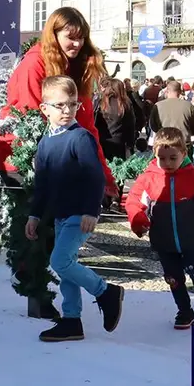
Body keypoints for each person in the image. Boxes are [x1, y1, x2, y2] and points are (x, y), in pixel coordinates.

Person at [0, 6, 115, 319]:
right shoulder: (35, 63)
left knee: (60, 240)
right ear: (54, 34)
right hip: (27, 160)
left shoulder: (78, 69)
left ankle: (70, 314)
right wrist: (40, 161)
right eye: (69, 37)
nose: (75, 43)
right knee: (38, 233)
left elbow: (87, 126)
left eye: (80, 38)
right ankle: (38, 296)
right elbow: (27, 119)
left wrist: (104, 173)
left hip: (62, 159)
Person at [25, 75, 124, 342]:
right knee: (67, 265)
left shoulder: (80, 137)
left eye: (72, 104)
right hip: (60, 214)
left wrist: (91, 210)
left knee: (60, 261)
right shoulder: (46, 143)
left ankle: (105, 292)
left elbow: (95, 176)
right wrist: (34, 214)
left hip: (80, 213)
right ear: (44, 108)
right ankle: (71, 320)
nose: (67, 110)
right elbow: (42, 183)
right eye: (60, 105)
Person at [126, 128, 194, 329]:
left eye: (173, 158)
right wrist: (138, 220)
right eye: (162, 158)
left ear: (184, 152)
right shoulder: (148, 178)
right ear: (155, 155)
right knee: (173, 278)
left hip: (190, 237)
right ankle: (184, 310)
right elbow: (135, 201)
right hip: (164, 240)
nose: (168, 163)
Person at [95, 78, 137, 162]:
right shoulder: (125, 104)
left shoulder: (102, 102)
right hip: (120, 141)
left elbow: (96, 122)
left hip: (103, 141)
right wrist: (130, 145)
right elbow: (131, 126)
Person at [150, 81, 194, 146]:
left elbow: (153, 126)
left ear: (167, 91)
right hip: (183, 144)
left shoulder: (158, 105)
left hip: (164, 143)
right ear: (180, 91)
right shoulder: (188, 105)